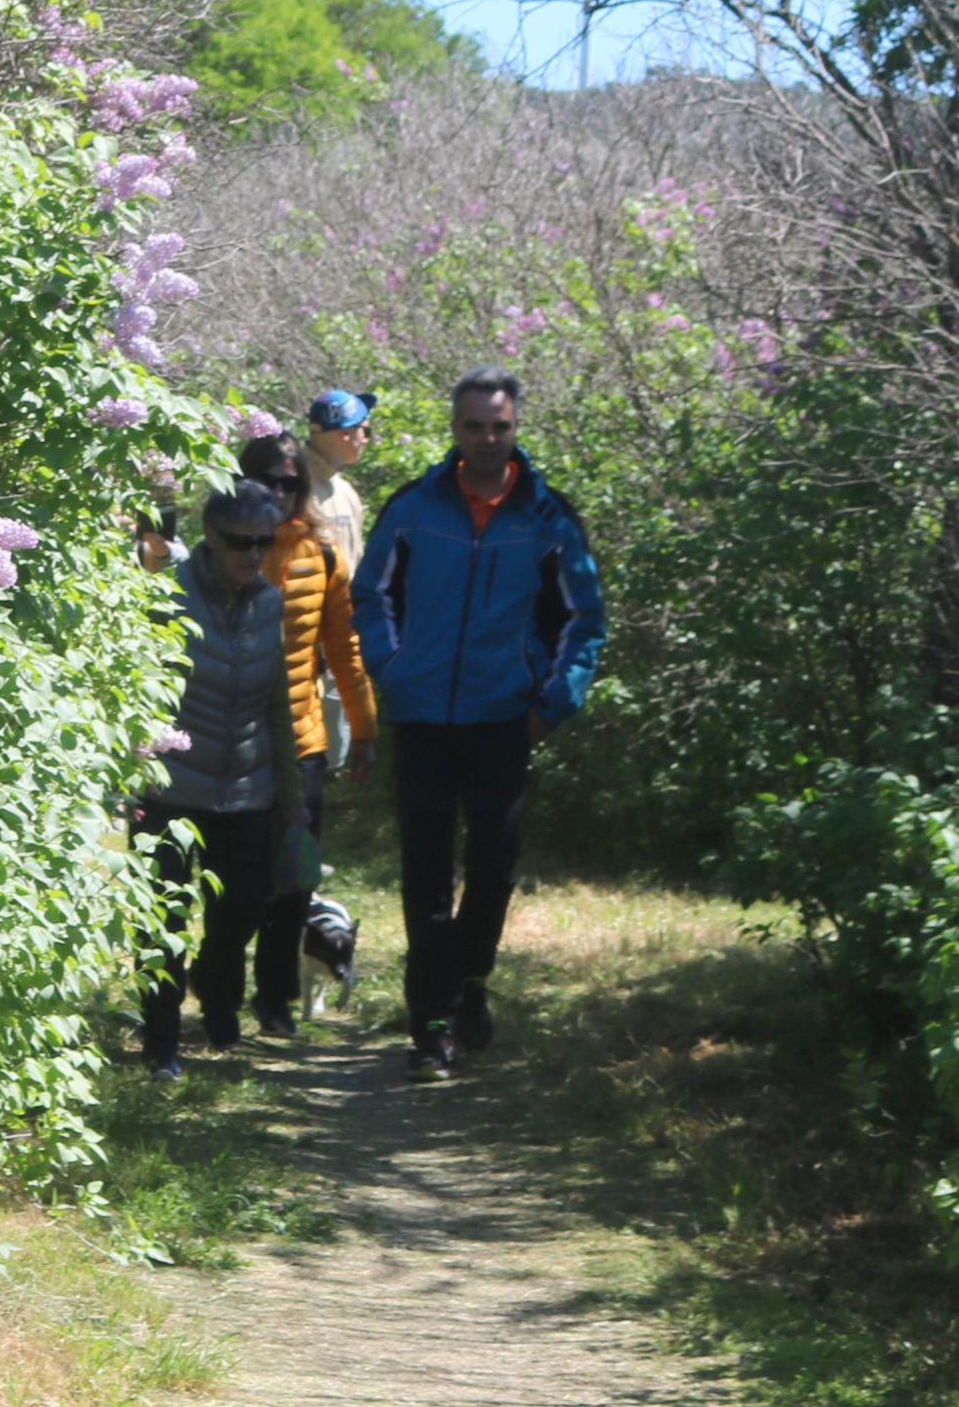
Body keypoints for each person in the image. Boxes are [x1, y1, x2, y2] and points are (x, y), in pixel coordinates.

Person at [350, 366, 606, 1082]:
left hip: (504, 719)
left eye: (499, 425)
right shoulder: (412, 507)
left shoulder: (548, 516)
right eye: (473, 425)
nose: (487, 438)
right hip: (422, 715)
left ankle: (469, 985)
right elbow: (368, 594)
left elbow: (583, 620)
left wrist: (551, 705)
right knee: (425, 873)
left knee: (491, 866)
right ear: (454, 429)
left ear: (515, 427)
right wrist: (391, 668)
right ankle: (428, 1024)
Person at [135, 482, 304, 1075]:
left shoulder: (270, 603)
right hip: (171, 791)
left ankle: (217, 992)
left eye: (265, 541)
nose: (253, 553)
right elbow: (131, 697)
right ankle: (161, 1044)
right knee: (162, 923)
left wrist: (292, 797)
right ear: (210, 537)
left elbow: (279, 706)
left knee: (242, 914)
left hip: (248, 790)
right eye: (241, 541)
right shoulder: (165, 598)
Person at [236, 432, 373, 1038]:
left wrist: (365, 727)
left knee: (294, 876)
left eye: (290, 482)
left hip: (303, 740)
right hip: (229, 741)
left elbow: (343, 644)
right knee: (237, 878)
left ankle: (275, 1001)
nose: (279, 491)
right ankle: (219, 997)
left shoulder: (320, 553)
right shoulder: (222, 551)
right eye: (267, 479)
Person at [298, 387, 374, 570]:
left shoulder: (347, 492)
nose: (366, 440)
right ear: (345, 433)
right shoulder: (290, 488)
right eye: (366, 431)